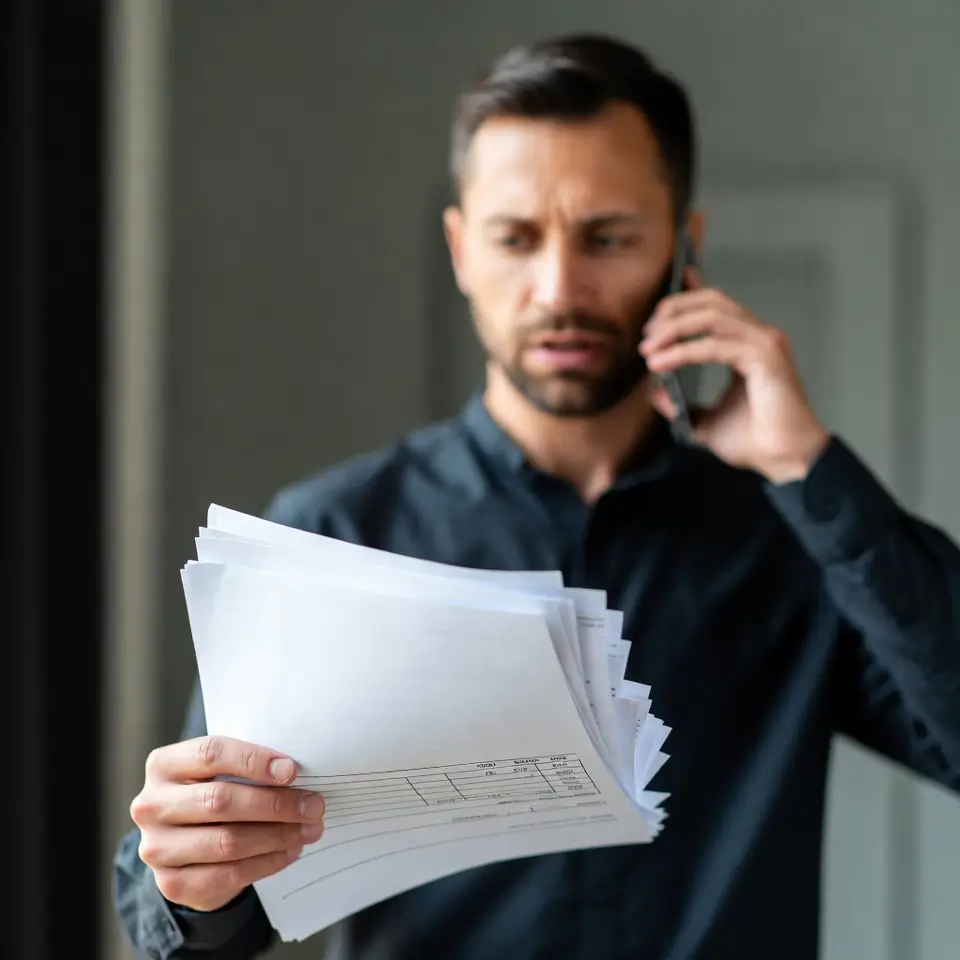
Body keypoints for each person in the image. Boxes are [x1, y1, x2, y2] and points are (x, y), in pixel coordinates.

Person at [113, 32, 960, 960]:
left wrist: (809, 466)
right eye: (515, 239)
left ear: (685, 247)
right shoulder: (333, 536)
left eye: (608, 237)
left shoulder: (793, 539)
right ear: (460, 249)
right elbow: (187, 925)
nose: (559, 290)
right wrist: (195, 881)